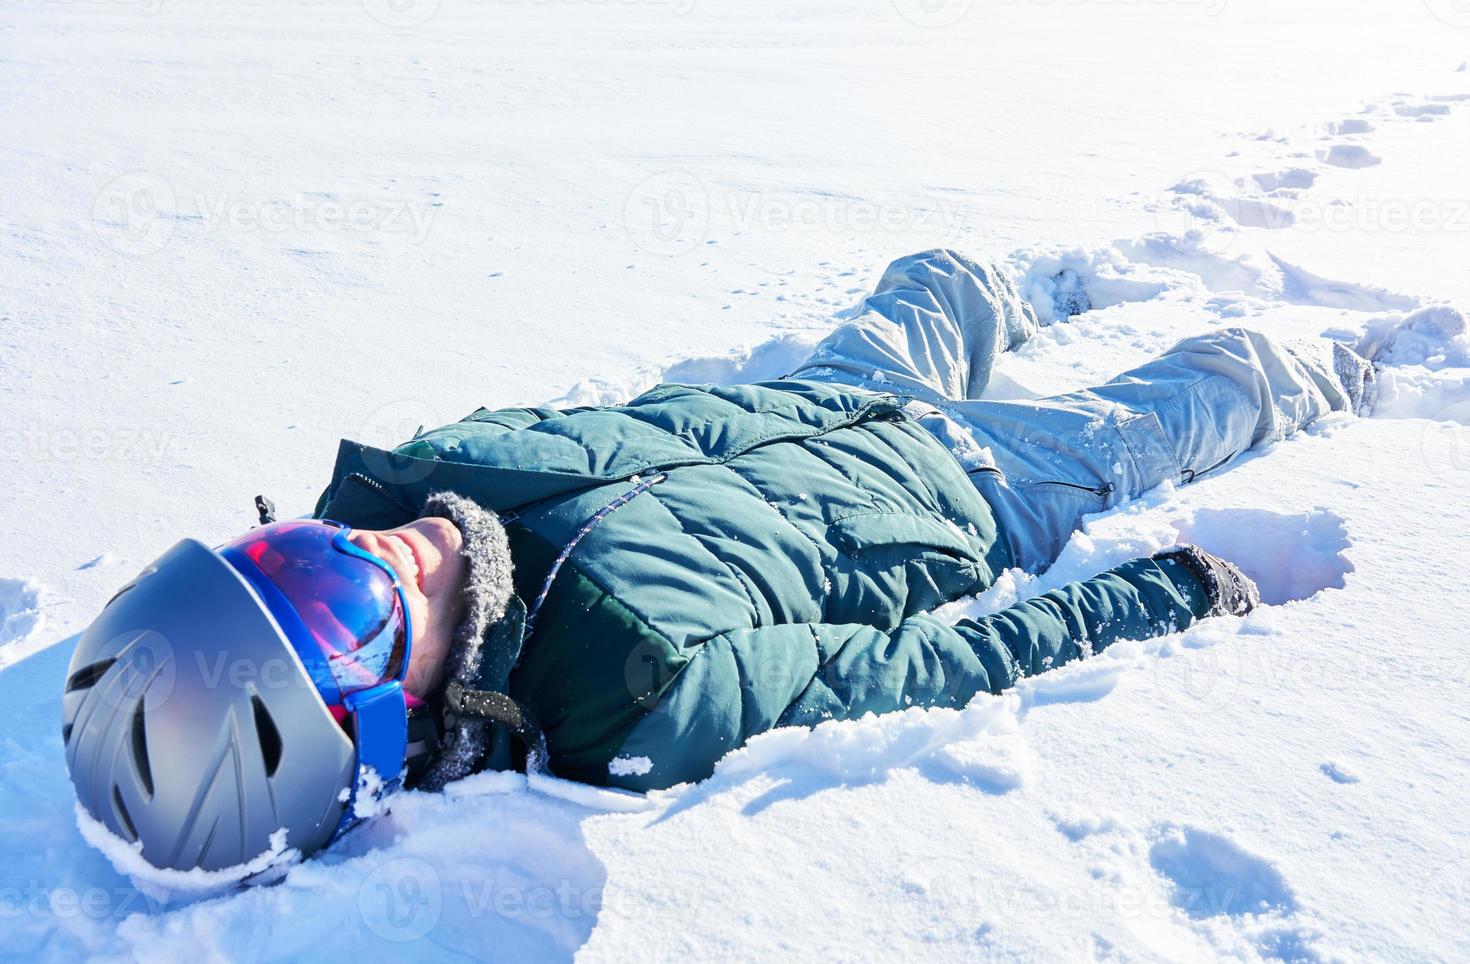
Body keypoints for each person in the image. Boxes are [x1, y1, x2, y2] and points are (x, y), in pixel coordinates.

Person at [63, 249, 1387, 873]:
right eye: (337, 592)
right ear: (380, 730)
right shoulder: (625, 693)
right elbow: (912, 670)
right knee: (1213, 387)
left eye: (284, 548)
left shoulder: (410, 490)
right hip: (963, 489)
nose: (355, 548)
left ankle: (1072, 280)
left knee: (947, 277)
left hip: (826, 395)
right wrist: (1156, 591)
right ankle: (1370, 360)